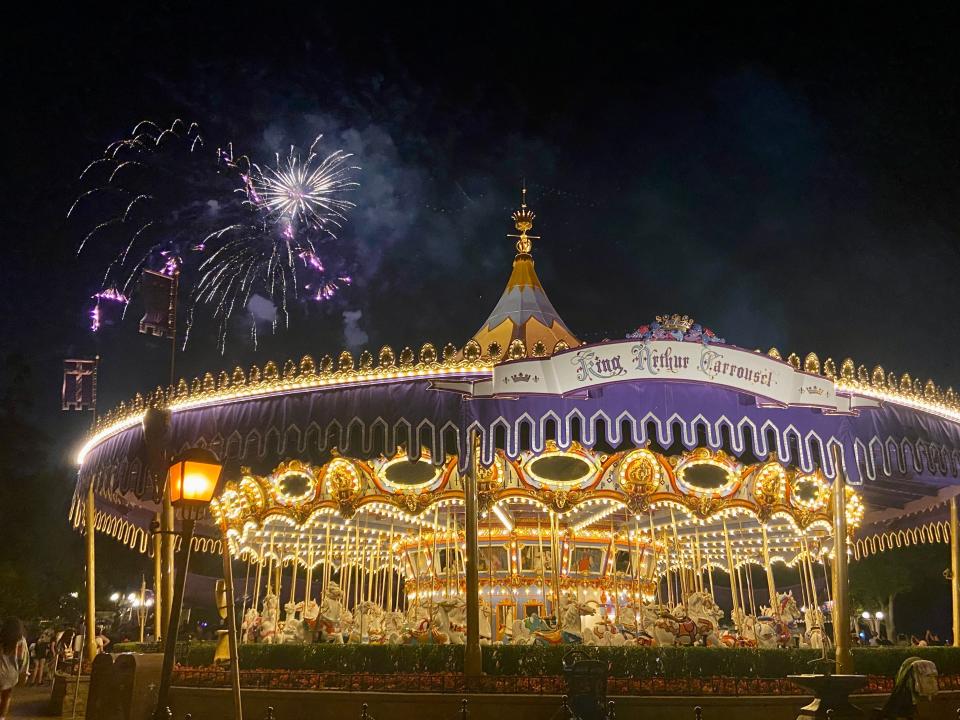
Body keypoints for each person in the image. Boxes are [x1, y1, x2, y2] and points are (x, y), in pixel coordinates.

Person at [0, 618, 29, 720]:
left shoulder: (1, 638)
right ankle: (2, 717)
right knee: (6, 697)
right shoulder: (21, 641)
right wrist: (24, 673)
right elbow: (23, 659)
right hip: (11, 674)